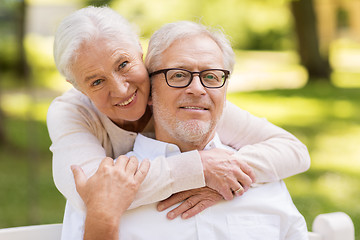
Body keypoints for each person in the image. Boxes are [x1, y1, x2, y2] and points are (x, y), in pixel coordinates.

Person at [47, 6, 310, 220]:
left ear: (141, 52)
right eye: (96, 81)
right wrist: (199, 168)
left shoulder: (178, 96)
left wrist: (224, 177)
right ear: (77, 87)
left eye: (124, 64)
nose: (121, 89)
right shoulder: (71, 113)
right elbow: (92, 195)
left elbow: (293, 151)